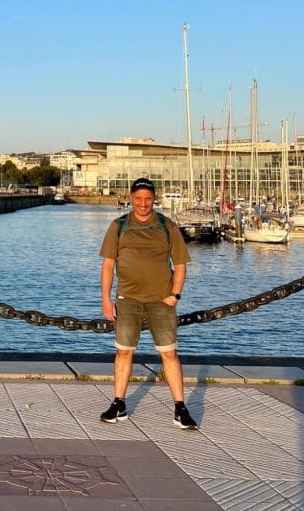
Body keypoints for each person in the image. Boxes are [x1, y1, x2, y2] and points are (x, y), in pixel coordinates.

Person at [98, 177, 198, 429]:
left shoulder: (167, 226)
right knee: (123, 352)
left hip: (160, 301)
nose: (143, 204)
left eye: (148, 199)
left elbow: (181, 265)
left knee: (169, 354)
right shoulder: (118, 226)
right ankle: (118, 403)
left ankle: (179, 408)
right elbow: (108, 265)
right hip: (127, 299)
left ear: (154, 199)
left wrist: (174, 295)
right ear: (131, 199)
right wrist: (106, 299)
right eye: (138, 199)